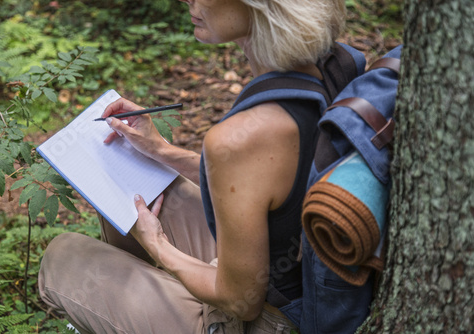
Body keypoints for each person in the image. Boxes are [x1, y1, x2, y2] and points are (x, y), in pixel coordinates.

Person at [38, 0, 347, 333]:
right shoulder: (334, 65)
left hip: (269, 318)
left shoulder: (242, 137)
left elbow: (240, 300)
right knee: (136, 186)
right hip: (302, 281)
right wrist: (163, 151)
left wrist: (157, 245)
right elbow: (269, 179)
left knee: (62, 257)